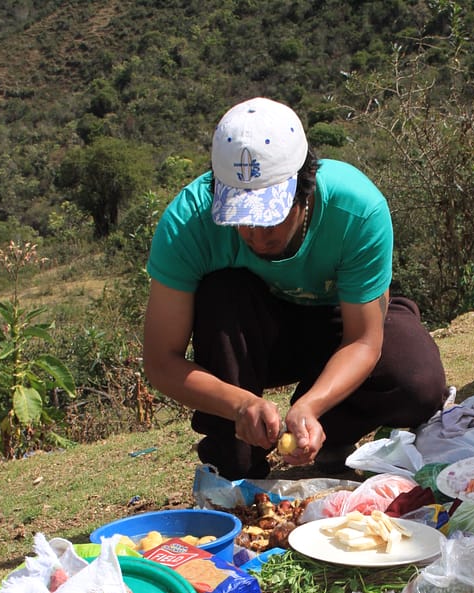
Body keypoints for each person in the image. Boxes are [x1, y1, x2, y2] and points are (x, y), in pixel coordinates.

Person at [143, 96, 447, 479]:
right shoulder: (187, 223)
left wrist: (311, 406)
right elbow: (161, 361)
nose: (253, 235)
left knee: (417, 382)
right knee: (222, 293)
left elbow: (363, 341)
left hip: (341, 321)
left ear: (305, 188)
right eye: (239, 218)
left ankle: (328, 433)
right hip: (258, 336)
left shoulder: (357, 209)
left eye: (270, 218)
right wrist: (239, 405)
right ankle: (235, 462)